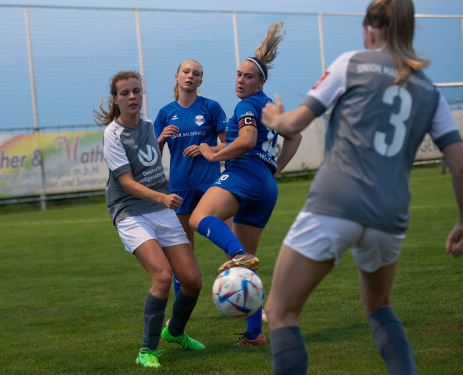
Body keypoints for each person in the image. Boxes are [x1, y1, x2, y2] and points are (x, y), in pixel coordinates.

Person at [261, 0, 463, 374]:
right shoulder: (429, 89)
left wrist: (274, 117)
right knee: (379, 306)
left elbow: (293, 125)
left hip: (335, 203)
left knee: (280, 311)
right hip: (390, 215)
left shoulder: (349, 63)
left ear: (371, 28)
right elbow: (458, 161)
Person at [188, 22, 302, 346]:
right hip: (265, 184)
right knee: (248, 268)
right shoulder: (270, 107)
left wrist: (214, 155)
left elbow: (248, 139)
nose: (240, 80)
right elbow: (295, 136)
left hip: (244, 173)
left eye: (248, 76)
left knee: (199, 218)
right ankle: (255, 334)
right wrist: (274, 168)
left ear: (261, 81)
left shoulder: (247, 106)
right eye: (238, 75)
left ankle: (236, 254)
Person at [93, 71, 205, 369]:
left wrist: (158, 141)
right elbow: (127, 183)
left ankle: (175, 332)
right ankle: (147, 350)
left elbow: (146, 159)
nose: (132, 97)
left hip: (160, 210)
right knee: (163, 277)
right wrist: (161, 198)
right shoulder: (112, 134)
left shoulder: (146, 125)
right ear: (115, 99)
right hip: (130, 212)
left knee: (193, 282)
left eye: (136, 91)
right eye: (125, 93)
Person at [154, 59, 229, 296]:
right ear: (176, 76)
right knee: (183, 254)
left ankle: (251, 304)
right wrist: (161, 139)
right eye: (186, 72)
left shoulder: (211, 107)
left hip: (211, 187)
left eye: (195, 74)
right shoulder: (165, 113)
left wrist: (207, 149)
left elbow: (229, 145)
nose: (190, 76)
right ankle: (179, 314)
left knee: (232, 244)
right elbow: (150, 157)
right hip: (180, 188)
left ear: (200, 81)